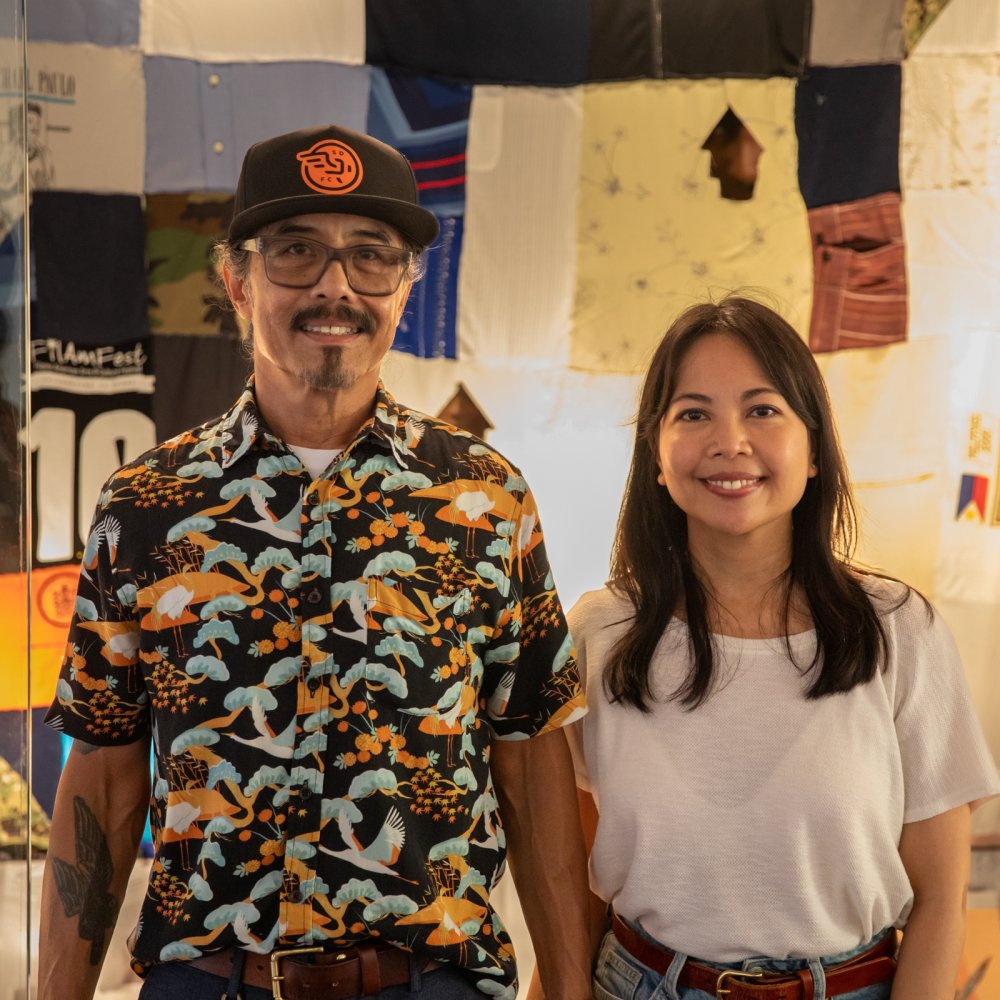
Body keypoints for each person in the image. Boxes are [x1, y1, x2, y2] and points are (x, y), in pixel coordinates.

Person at [39, 123, 592, 1000]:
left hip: (430, 983)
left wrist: (569, 985)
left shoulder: (486, 500)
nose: (335, 286)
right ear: (237, 281)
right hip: (208, 981)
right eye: (296, 251)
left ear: (405, 289)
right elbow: (103, 769)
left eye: (371, 256)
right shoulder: (144, 504)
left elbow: (531, 756)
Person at [565, 296, 1000, 1000]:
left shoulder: (899, 631)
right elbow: (569, 875)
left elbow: (942, 896)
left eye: (763, 410)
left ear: (815, 448)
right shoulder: (601, 634)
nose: (728, 441)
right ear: (655, 454)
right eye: (693, 412)